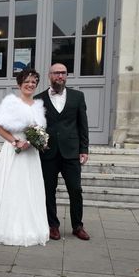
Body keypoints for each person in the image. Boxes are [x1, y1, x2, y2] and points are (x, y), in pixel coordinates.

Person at [0, 68, 49, 246]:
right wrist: (15, 142)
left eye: (34, 82)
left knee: (29, 190)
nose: (30, 84)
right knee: (14, 188)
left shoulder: (38, 106)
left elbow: (38, 130)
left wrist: (40, 141)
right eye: (27, 81)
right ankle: (8, 229)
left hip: (31, 155)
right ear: (20, 84)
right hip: (15, 152)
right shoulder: (11, 103)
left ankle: (31, 228)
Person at [34, 63, 90, 241]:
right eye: (56, 73)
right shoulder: (39, 99)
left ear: (67, 75)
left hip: (71, 152)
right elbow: (35, 126)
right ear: (49, 75)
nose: (60, 76)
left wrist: (84, 149)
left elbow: (83, 125)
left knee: (75, 189)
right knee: (48, 191)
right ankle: (53, 225)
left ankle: (77, 226)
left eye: (63, 73)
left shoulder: (77, 97)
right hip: (48, 152)